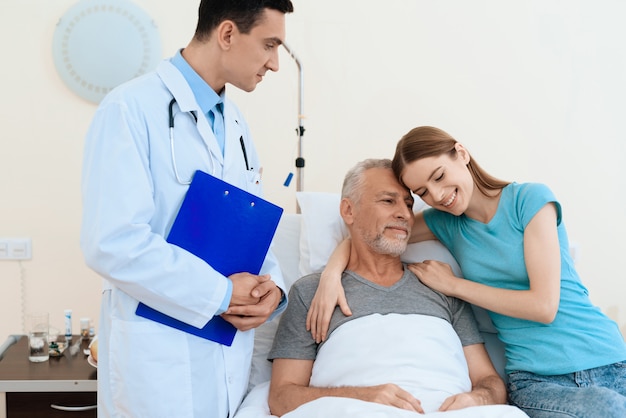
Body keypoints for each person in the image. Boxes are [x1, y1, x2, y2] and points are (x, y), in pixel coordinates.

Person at [309, 126, 626, 417]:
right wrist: (330, 276)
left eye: (439, 176)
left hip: (608, 357)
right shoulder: (445, 222)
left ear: (461, 154)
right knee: (609, 409)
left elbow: (543, 307)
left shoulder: (530, 200)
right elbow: (375, 232)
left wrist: (454, 285)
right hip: (536, 379)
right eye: (422, 192)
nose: (436, 195)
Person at [80, 1, 294, 417]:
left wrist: (275, 290)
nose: (275, 64)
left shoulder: (235, 124)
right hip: (158, 361)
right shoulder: (130, 109)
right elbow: (111, 242)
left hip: (226, 354)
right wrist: (222, 294)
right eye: (269, 45)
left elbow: (248, 227)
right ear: (228, 34)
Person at [268, 159, 528, 417]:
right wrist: (364, 397)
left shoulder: (440, 285)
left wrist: (478, 399)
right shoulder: (312, 293)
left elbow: (489, 381)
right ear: (349, 211)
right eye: (388, 201)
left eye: (408, 203)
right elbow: (281, 398)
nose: (404, 213)